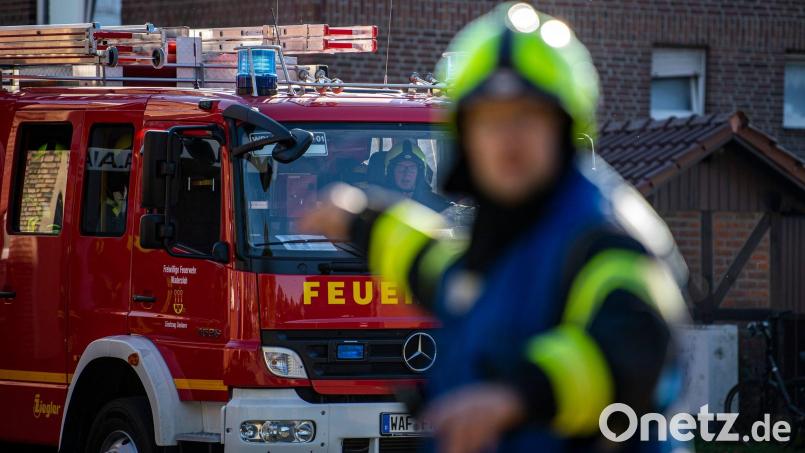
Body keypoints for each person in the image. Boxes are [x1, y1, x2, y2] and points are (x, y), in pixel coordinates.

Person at [300, 3, 689, 452]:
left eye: (527, 115)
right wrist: (360, 221)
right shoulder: (505, 234)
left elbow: (634, 346)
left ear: (564, 126)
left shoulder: (605, 235)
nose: (507, 137)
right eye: (489, 119)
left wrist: (518, 396)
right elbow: (439, 271)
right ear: (465, 135)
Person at [383, 140, 451, 212]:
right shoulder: (376, 204)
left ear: (419, 173)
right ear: (390, 172)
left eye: (412, 168)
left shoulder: (439, 206)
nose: (406, 173)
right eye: (401, 167)